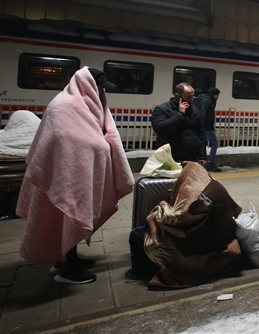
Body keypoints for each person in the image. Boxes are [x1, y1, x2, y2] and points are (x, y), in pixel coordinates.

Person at [16, 67, 134, 284]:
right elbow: (65, 138)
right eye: (98, 87)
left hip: (75, 173)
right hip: (64, 175)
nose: (101, 92)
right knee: (67, 213)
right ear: (86, 84)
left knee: (69, 214)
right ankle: (67, 270)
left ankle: (66, 257)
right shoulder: (65, 105)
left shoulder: (84, 105)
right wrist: (99, 145)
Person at [151, 83, 207, 165]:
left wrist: (202, 156)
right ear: (177, 96)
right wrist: (180, 115)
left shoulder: (194, 110)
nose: (191, 100)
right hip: (170, 156)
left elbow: (201, 133)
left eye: (193, 96)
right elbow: (159, 128)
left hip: (192, 156)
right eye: (188, 97)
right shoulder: (162, 109)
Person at [195, 87, 221, 170]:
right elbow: (203, 112)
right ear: (215, 95)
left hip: (203, 126)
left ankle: (201, 162)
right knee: (215, 144)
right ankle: (210, 163)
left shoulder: (204, 99)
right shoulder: (208, 101)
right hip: (206, 127)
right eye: (217, 95)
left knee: (202, 144)